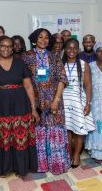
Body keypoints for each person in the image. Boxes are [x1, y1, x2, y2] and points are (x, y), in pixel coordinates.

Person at [0, 36, 39, 178]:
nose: (6, 48)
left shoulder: (20, 64)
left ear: (13, 48)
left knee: (20, 136)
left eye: (9, 46)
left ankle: (21, 168)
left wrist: (33, 108)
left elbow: (28, 86)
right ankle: (3, 168)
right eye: (3, 46)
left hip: (20, 105)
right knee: (1, 137)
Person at [23, 28, 70, 175]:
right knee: (38, 132)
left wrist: (56, 100)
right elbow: (24, 81)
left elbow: (62, 78)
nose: (43, 40)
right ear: (34, 39)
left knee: (55, 131)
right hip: (35, 101)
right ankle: (41, 165)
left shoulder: (54, 56)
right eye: (40, 37)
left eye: (46, 38)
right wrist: (31, 104)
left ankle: (57, 164)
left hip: (54, 100)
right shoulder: (26, 57)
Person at [62, 38, 95, 168]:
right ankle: (70, 154)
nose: (72, 51)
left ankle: (76, 156)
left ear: (78, 49)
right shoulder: (60, 64)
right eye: (69, 48)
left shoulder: (83, 64)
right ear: (65, 49)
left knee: (79, 131)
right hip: (64, 102)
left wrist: (88, 103)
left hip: (78, 102)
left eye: (75, 48)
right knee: (68, 131)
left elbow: (88, 85)